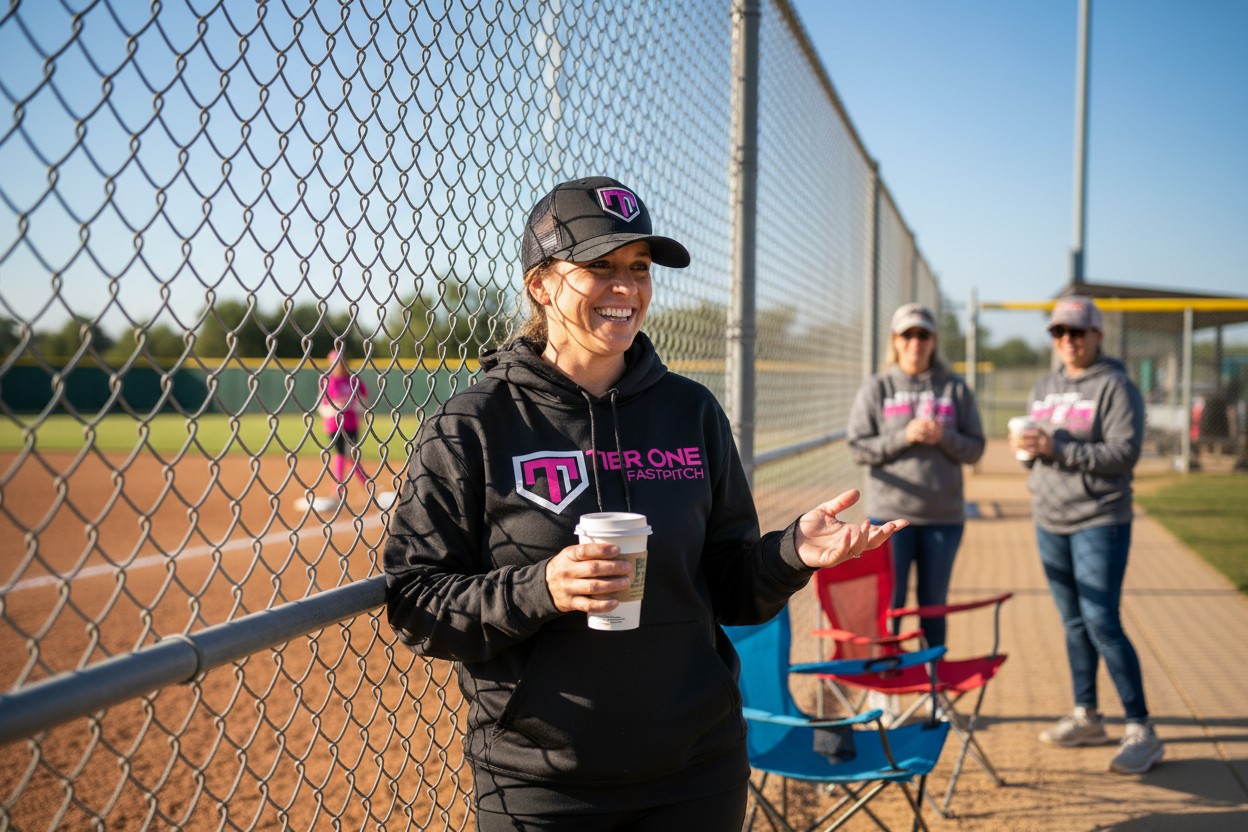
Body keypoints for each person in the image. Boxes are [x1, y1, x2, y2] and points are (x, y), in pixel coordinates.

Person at [382, 176, 908, 831]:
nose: (627, 287)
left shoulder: (691, 413)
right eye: (599, 268)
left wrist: (790, 552)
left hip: (696, 770)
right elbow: (415, 602)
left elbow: (730, 587)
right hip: (543, 786)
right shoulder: (474, 426)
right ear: (541, 284)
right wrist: (542, 586)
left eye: (638, 268)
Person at [1010, 295, 1164, 775]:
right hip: (1049, 516)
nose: (1068, 341)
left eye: (1078, 332)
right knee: (1074, 622)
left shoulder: (1116, 385)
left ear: (1097, 335)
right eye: (1060, 332)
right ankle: (1088, 715)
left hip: (1100, 517)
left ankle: (1141, 727)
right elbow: (1038, 452)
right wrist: (1029, 452)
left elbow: (1123, 455)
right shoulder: (1044, 386)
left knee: (1102, 621)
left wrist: (1058, 447)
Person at [847, 303, 985, 649]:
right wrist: (903, 436)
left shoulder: (954, 388)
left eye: (923, 334)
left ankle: (932, 684)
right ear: (895, 340)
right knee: (890, 605)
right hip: (890, 516)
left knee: (933, 607)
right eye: (907, 334)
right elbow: (857, 448)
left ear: (934, 340)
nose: (915, 342)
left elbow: (976, 449)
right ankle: (888, 683)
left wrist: (944, 437)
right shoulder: (877, 387)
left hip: (943, 517)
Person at [318, 349, 369, 504]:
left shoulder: (352, 380)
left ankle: (356, 486)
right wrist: (334, 409)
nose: (337, 365)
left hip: (351, 422)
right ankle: (343, 488)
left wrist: (355, 406)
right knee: (342, 452)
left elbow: (364, 398)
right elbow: (322, 405)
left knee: (351, 454)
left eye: (339, 361)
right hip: (334, 424)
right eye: (334, 362)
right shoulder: (327, 381)